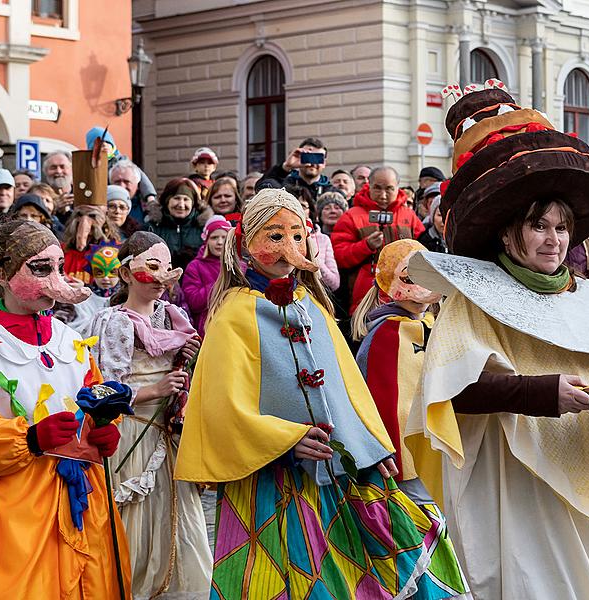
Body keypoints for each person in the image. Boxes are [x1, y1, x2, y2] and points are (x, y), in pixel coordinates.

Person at [402, 86, 589, 599]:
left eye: (561, 226)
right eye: (538, 226)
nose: (553, 238)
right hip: (522, 487)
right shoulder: (475, 301)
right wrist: (538, 394)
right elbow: (451, 393)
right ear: (511, 234)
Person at [175, 188, 461, 599]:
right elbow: (223, 406)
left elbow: (348, 387)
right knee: (283, 578)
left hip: (336, 472)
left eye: (297, 235)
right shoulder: (233, 315)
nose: (289, 247)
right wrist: (285, 441)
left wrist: (371, 445)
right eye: (275, 237)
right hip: (270, 478)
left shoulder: (313, 304)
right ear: (245, 245)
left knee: (356, 568)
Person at [0, 219, 130, 598]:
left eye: (59, 268)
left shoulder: (72, 341)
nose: (55, 279)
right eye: (40, 268)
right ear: (3, 274)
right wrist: (29, 437)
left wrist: (102, 430)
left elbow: (93, 399)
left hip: (80, 499)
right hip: (8, 511)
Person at [90, 231, 212, 599]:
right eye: (151, 268)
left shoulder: (172, 317)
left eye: (165, 269)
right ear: (126, 274)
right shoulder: (114, 321)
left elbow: (178, 374)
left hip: (167, 430)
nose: (160, 280)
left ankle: (179, 589)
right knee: (137, 514)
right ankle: (132, 586)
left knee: (176, 511)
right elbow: (103, 390)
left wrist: (183, 365)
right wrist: (154, 391)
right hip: (132, 431)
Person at [351, 238, 470, 598]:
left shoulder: (431, 325)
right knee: (424, 547)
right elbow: (386, 402)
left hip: (434, 457)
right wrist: (391, 460)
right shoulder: (388, 334)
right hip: (406, 465)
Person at [332, 165, 425, 313]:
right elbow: (339, 256)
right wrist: (365, 246)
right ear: (369, 185)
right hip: (365, 299)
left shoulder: (409, 216)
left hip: (407, 297)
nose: (383, 195)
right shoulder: (352, 216)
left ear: (397, 188)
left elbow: (425, 252)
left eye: (389, 189)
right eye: (377, 188)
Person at [62, 151, 123, 285]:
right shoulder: (61, 252)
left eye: (92, 216)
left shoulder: (117, 253)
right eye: (79, 215)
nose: (85, 222)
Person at [181, 216, 234, 337]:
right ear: (206, 240)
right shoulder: (195, 266)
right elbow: (193, 302)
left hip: (235, 322)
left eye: (224, 237)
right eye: (214, 237)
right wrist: (220, 281)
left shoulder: (240, 265)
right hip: (208, 328)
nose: (220, 242)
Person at [147, 177, 213, 271]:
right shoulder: (153, 228)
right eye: (176, 198)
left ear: (193, 203)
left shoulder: (204, 228)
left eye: (186, 199)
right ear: (167, 201)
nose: (181, 205)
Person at [85, 127, 157, 212]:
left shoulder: (123, 161)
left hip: (128, 203)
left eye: (107, 142)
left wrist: (150, 198)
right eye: (100, 144)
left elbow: (143, 180)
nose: (104, 145)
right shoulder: (90, 166)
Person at [60, 242, 121, 335]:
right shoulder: (84, 296)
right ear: (92, 271)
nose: (105, 278)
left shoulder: (126, 298)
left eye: (112, 272)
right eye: (99, 272)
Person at [259, 137, 334, 201]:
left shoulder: (331, 192)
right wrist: (286, 167)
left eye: (317, 158)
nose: (312, 163)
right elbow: (262, 189)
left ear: (324, 163)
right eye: (308, 157)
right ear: (300, 157)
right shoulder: (285, 185)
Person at [110, 159, 155, 225]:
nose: (122, 186)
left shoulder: (149, 209)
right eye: (117, 182)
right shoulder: (103, 208)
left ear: (137, 185)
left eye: (126, 182)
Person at [42, 150, 75, 222]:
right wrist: (54, 209)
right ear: (45, 171)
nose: (59, 171)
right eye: (53, 167)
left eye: (62, 167)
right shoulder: (39, 197)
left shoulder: (81, 194)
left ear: (71, 170)